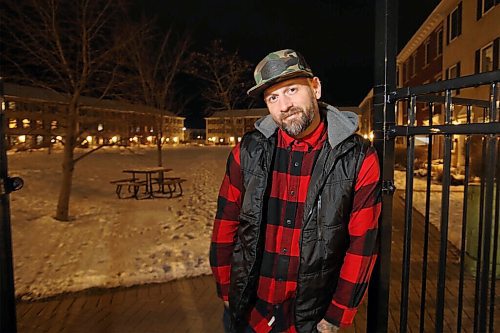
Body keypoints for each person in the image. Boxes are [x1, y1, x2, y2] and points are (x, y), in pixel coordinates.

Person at [209, 49, 381, 333]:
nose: (284, 105)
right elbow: (225, 223)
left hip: (311, 316)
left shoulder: (358, 157)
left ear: (315, 87)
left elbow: (362, 244)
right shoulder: (247, 152)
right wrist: (227, 291)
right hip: (252, 309)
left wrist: (337, 315)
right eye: (272, 97)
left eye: (291, 90)